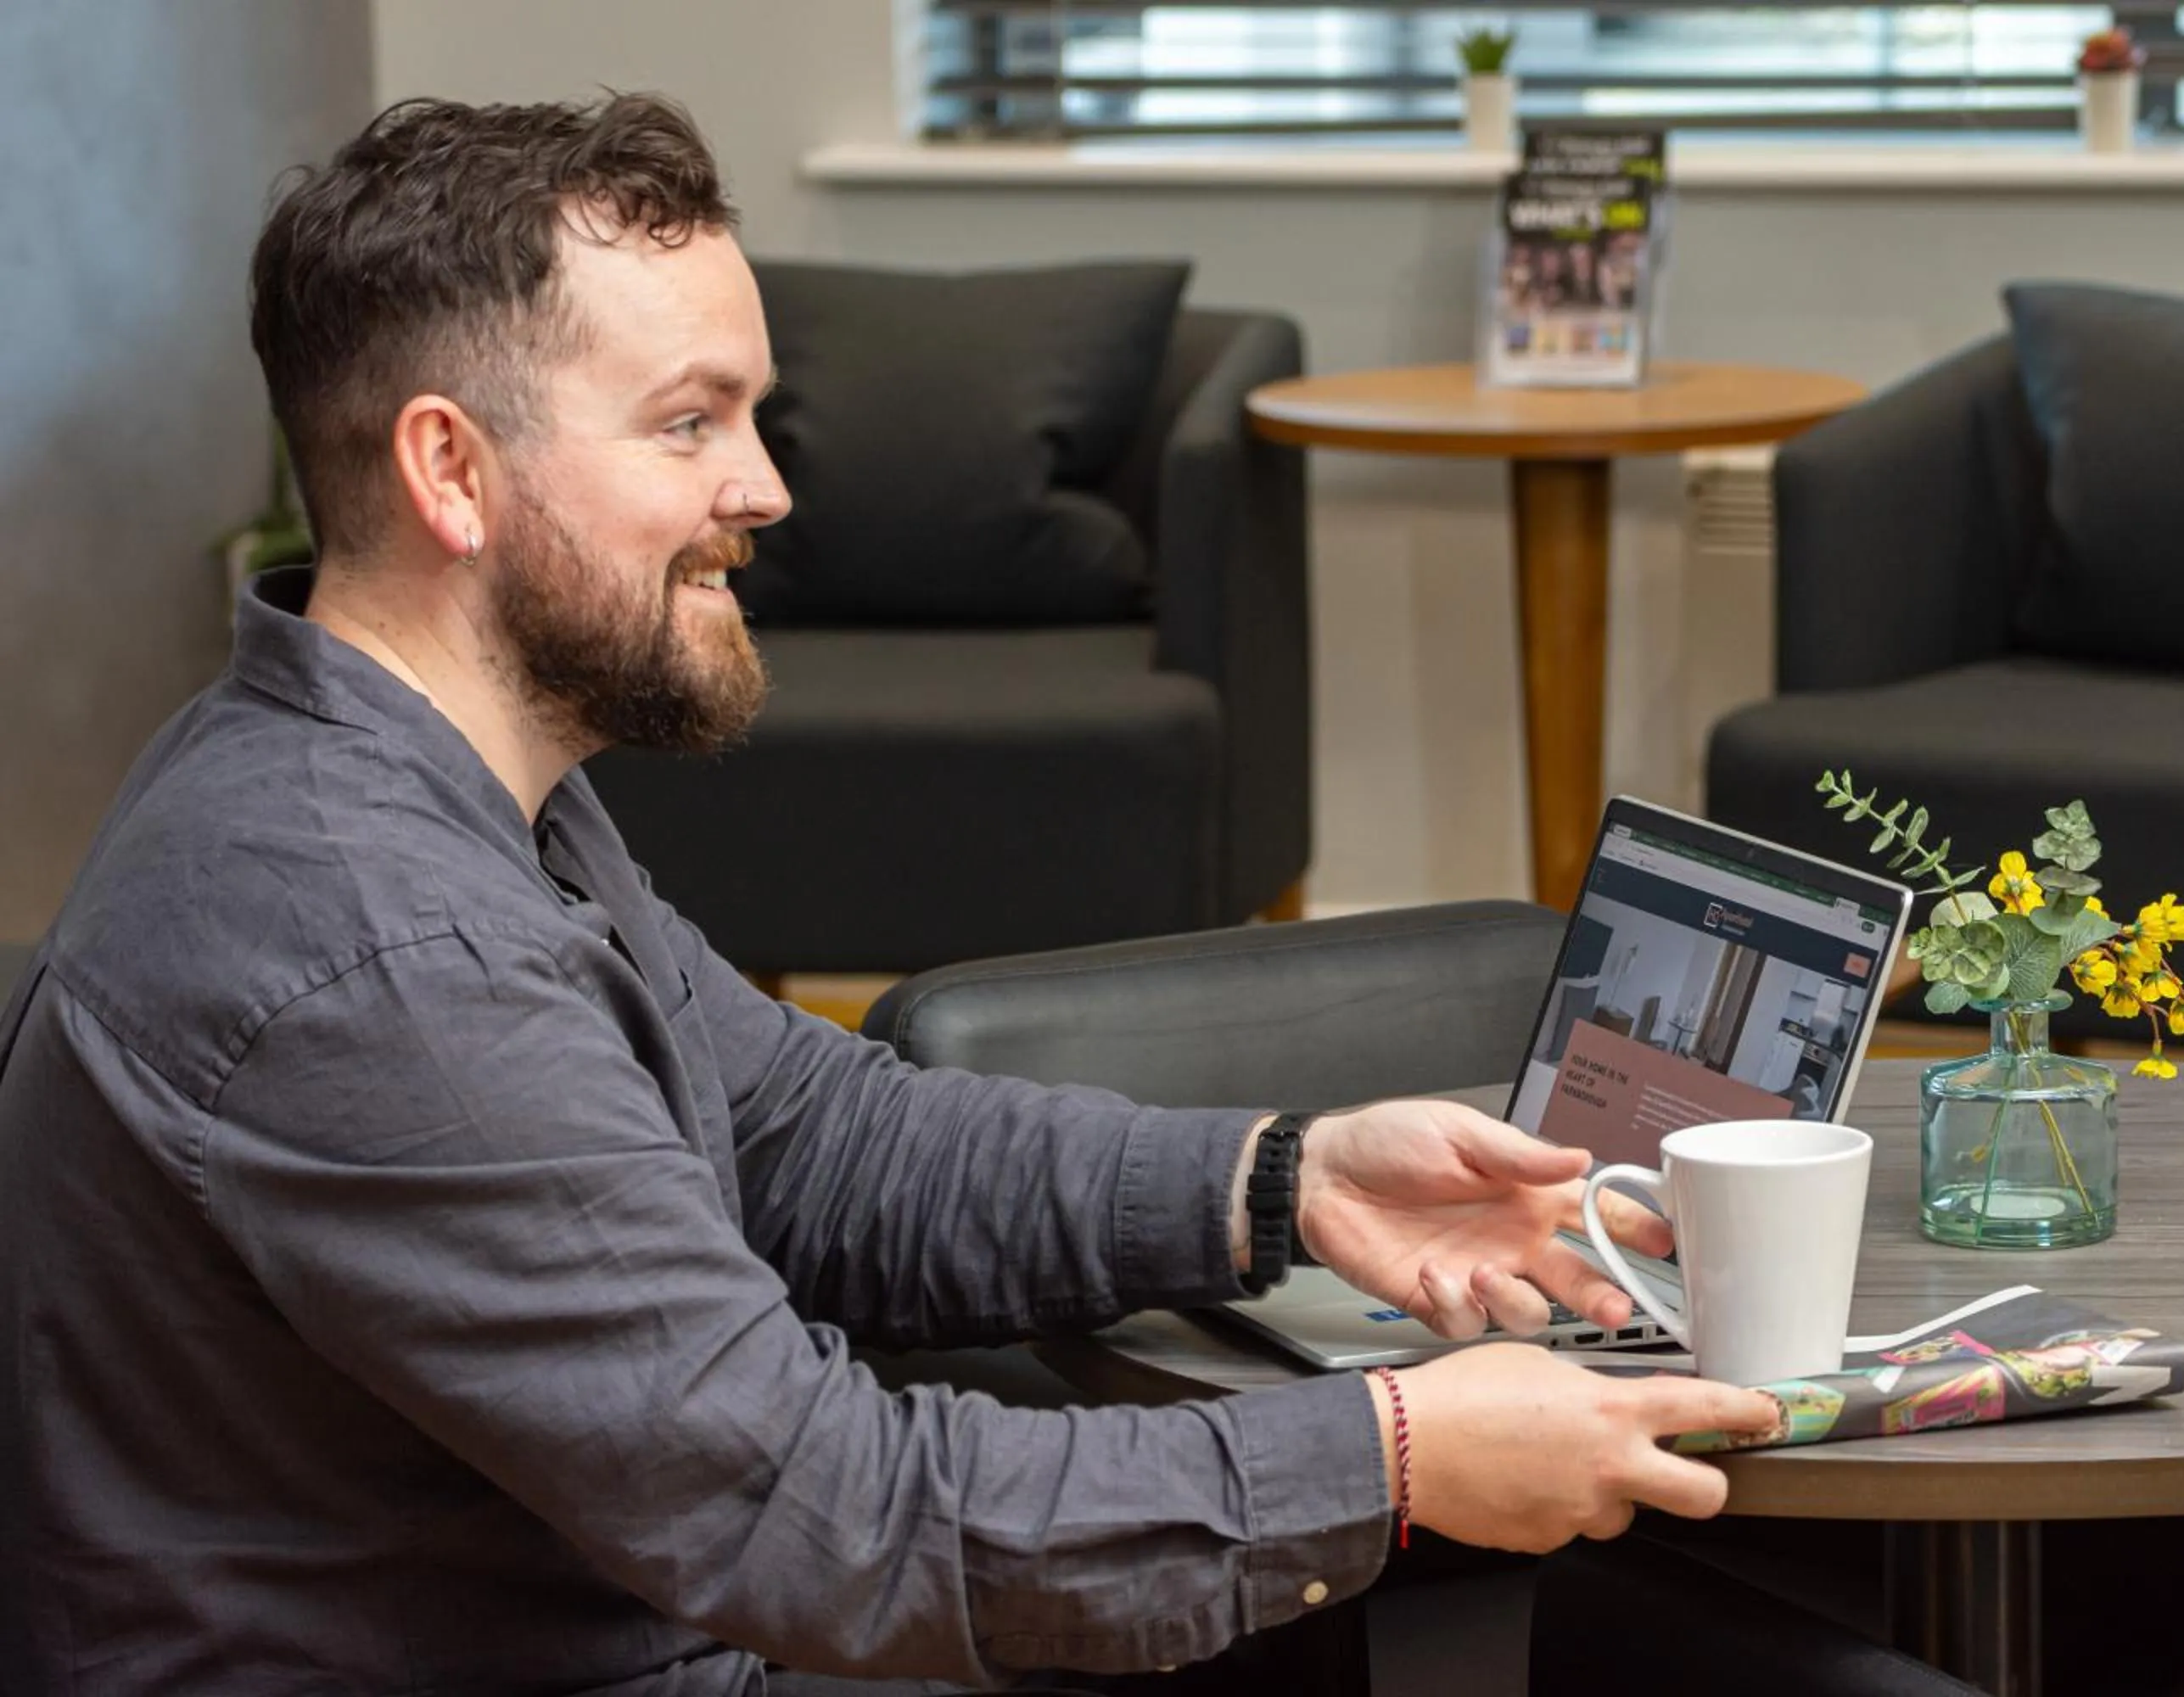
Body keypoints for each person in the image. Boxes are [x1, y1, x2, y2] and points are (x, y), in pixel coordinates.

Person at [0, 93, 1834, 1696]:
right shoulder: (376, 948)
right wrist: (1398, 1447)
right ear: (452, 472)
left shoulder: (454, 797)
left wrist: (1288, 1179)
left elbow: (810, 1135)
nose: (767, 487)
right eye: (690, 422)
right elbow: (829, 1517)